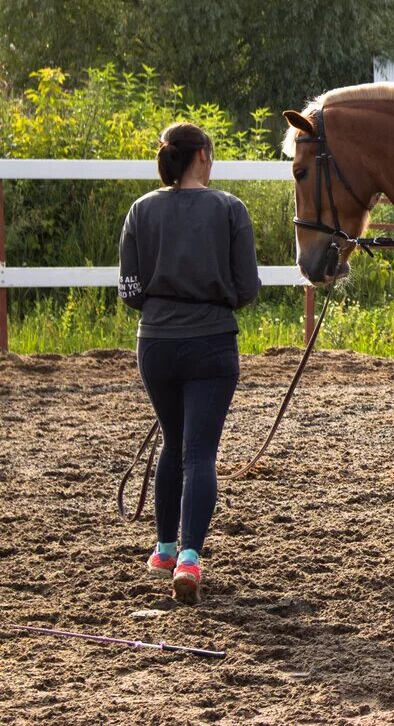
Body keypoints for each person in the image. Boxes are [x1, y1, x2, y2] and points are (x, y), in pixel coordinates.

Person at [117, 122, 260, 604]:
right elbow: (247, 291)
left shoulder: (141, 210)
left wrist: (163, 307)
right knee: (199, 453)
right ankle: (191, 559)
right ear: (203, 155)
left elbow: (129, 291)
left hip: (155, 344)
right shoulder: (229, 209)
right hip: (211, 343)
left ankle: (163, 548)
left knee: (173, 444)